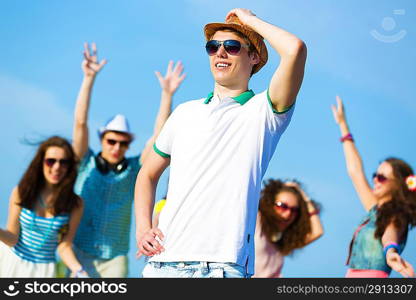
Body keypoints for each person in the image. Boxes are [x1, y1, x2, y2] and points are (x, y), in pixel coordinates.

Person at [135, 8, 307, 278]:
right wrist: (143, 228)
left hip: (222, 268)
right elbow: (147, 174)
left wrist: (249, 21)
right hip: (163, 264)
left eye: (232, 46)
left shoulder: (264, 111)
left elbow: (295, 49)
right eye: (213, 47)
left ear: (255, 57)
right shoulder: (184, 113)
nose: (220, 53)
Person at [71, 42, 185, 277]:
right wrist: (88, 78)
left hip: (115, 258)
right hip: (78, 251)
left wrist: (167, 95)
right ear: (102, 138)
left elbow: (159, 138)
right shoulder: (86, 163)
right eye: (111, 141)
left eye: (123, 143)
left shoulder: (133, 170)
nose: (116, 147)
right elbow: (80, 123)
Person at [332, 96, 416, 278]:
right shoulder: (375, 209)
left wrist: (391, 251)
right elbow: (355, 171)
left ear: (398, 185)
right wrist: (343, 125)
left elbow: (390, 233)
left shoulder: (397, 214)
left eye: (382, 178)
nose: (375, 180)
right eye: (375, 175)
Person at [0, 136, 87, 278]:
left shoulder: (75, 204)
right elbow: (12, 237)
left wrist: (79, 270)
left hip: (43, 271)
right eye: (50, 161)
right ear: (41, 163)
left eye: (63, 162)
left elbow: (64, 246)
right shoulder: (21, 192)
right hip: (11, 261)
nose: (57, 167)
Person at [253, 179, 323, 278]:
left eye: (294, 210)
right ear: (269, 203)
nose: (288, 214)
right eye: (282, 206)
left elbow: (317, 232)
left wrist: (305, 199)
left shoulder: (285, 240)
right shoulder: (255, 222)